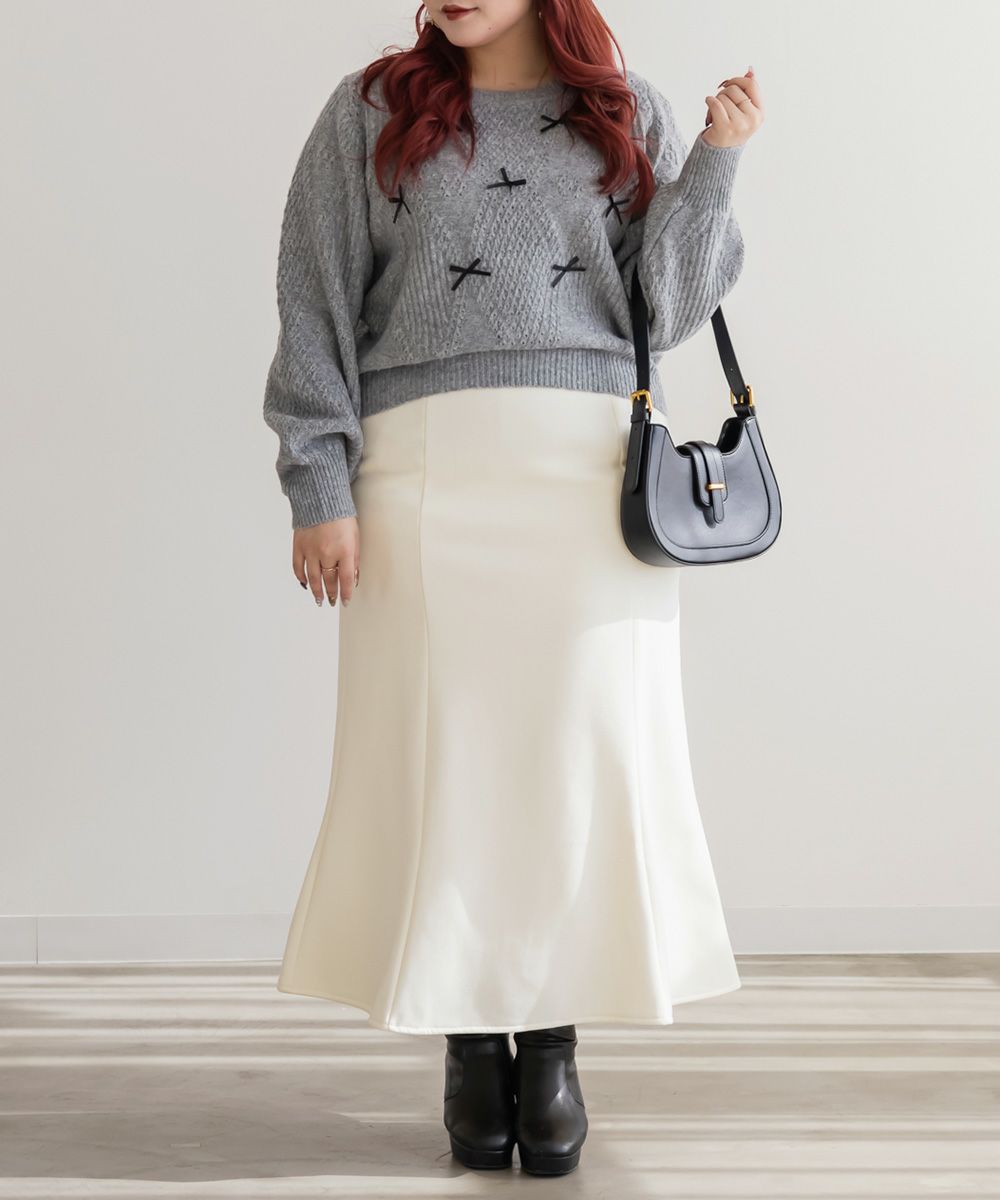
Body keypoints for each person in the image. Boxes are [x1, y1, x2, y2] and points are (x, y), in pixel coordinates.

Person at [262, 0, 764, 1178]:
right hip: (421, 481)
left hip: (587, 484)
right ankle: (468, 1040)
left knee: (573, 767)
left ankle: (550, 1041)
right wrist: (317, 482)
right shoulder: (369, 112)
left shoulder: (624, 111)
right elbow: (311, 299)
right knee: (446, 769)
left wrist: (717, 160)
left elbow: (664, 310)